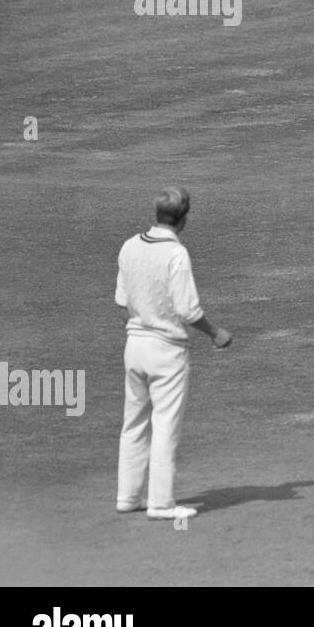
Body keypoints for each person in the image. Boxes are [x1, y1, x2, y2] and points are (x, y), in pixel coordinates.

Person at [115, 187, 232, 521]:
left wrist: (140, 327)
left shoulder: (129, 246)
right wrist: (215, 333)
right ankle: (161, 504)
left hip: (134, 346)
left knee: (134, 422)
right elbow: (188, 310)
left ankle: (128, 496)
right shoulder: (176, 255)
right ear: (184, 219)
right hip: (166, 351)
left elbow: (121, 304)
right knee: (165, 424)